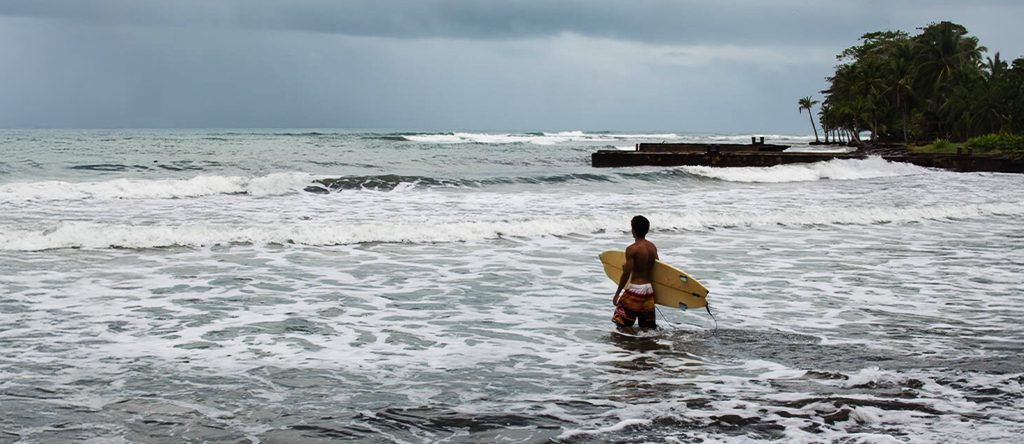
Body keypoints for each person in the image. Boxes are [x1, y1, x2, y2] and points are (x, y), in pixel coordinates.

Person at [612, 215, 658, 333]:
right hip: (648, 289)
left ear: (633, 229)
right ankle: (646, 346)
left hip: (636, 289)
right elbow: (657, 268)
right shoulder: (652, 247)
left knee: (621, 321)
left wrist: (617, 293)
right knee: (645, 326)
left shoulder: (632, 249)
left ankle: (634, 341)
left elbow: (626, 274)